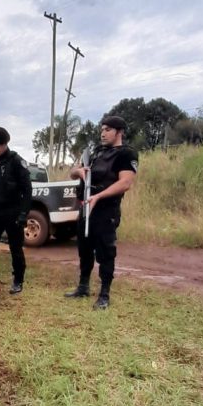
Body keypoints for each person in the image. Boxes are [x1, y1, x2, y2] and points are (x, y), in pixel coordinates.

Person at [65, 114, 138, 309]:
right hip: (86, 207)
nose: (103, 133)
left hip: (106, 210)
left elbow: (125, 183)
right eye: (101, 130)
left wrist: (98, 196)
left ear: (119, 132)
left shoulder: (126, 154)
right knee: (84, 249)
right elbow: (73, 171)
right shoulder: (96, 152)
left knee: (106, 253)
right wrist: (79, 171)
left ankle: (104, 294)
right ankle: (83, 287)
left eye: (107, 130)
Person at [0, 126, 32, 294]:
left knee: (15, 248)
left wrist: (24, 213)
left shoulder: (16, 161)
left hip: (13, 211)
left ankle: (18, 280)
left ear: (5, 144)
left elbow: (27, 190)